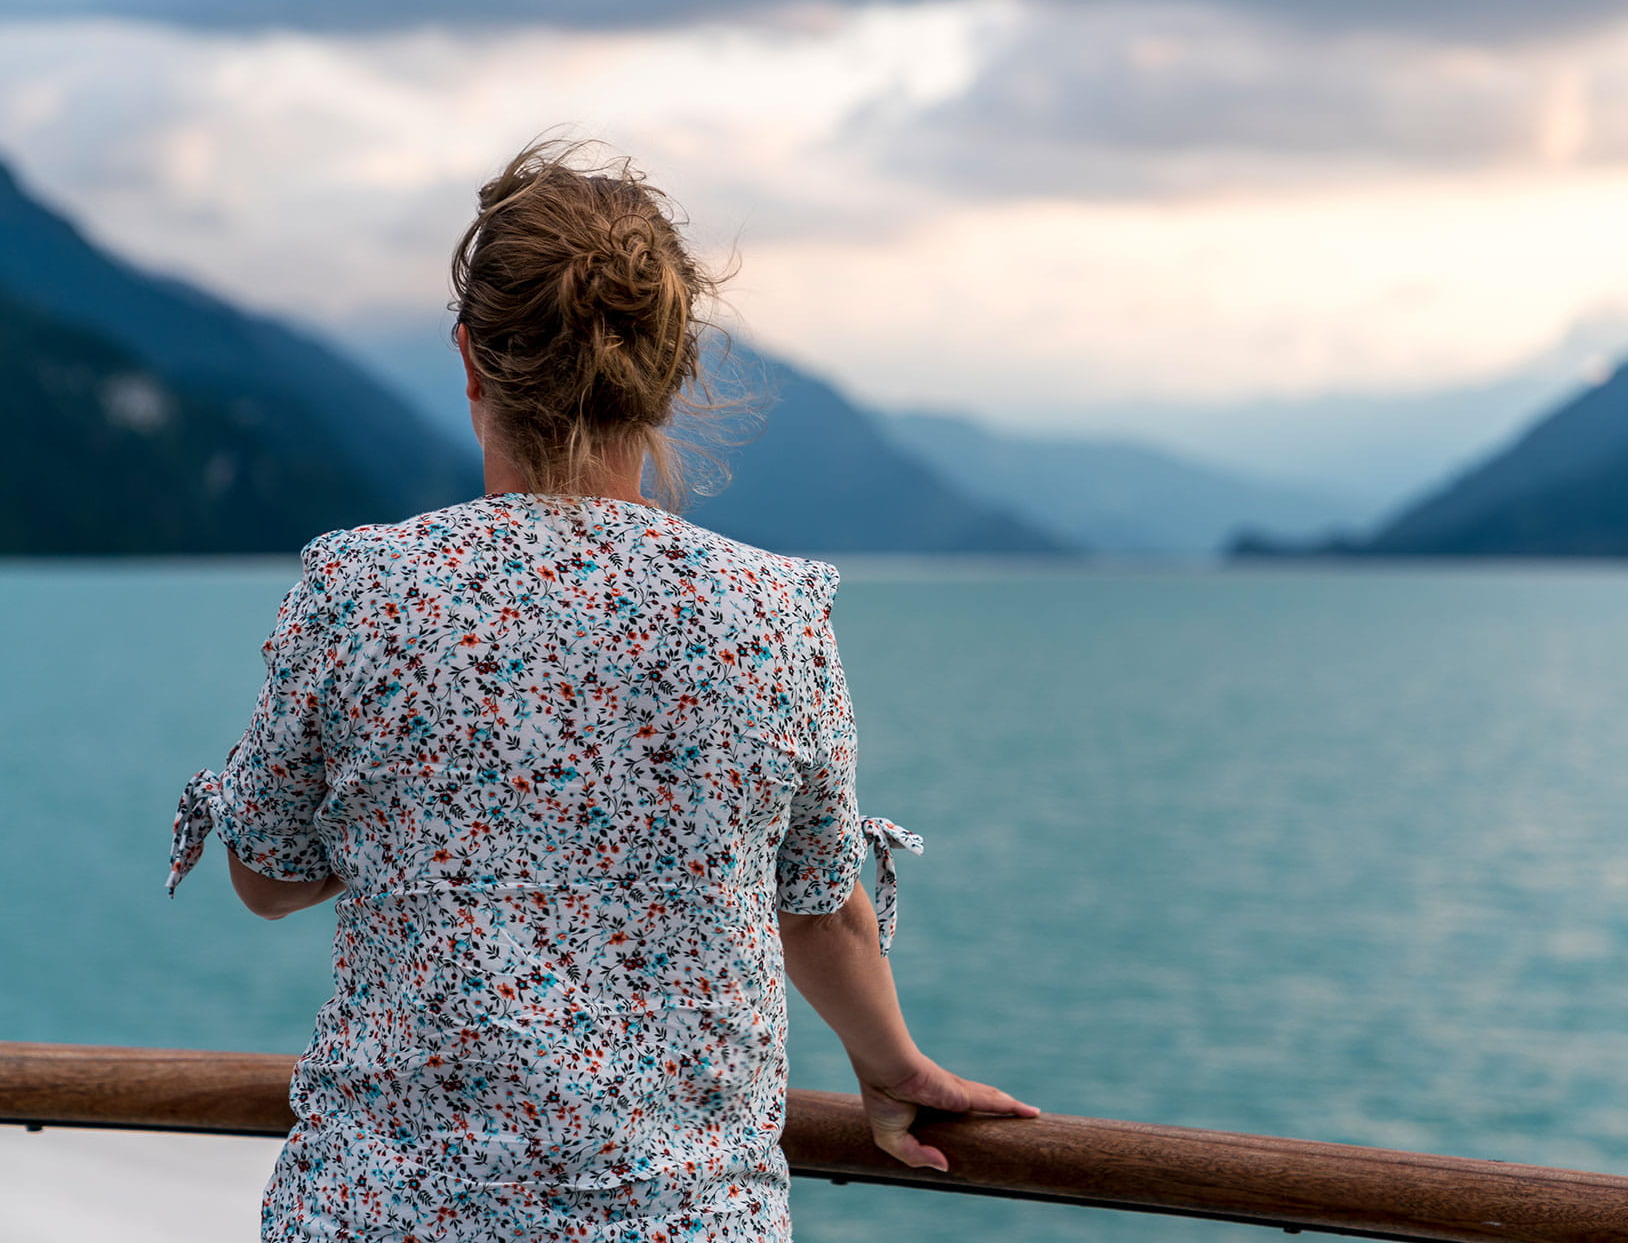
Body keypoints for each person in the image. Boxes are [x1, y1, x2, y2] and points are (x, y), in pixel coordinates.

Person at [163, 138, 1038, 1242]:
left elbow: (270, 878)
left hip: (383, 1214)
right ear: (672, 371)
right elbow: (818, 907)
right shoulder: (772, 614)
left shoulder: (361, 590)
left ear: (472, 357)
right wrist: (891, 1066)